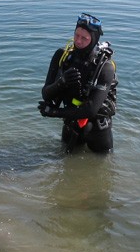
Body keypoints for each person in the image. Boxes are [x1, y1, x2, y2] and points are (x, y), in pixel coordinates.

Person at [38, 13, 117, 154]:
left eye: (84, 38)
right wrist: (61, 82)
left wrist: (54, 112)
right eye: (76, 35)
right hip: (71, 125)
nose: (78, 41)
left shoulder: (105, 67)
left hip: (97, 129)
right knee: (66, 167)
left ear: (93, 39)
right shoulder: (62, 56)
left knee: (102, 169)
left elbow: (91, 110)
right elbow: (46, 94)